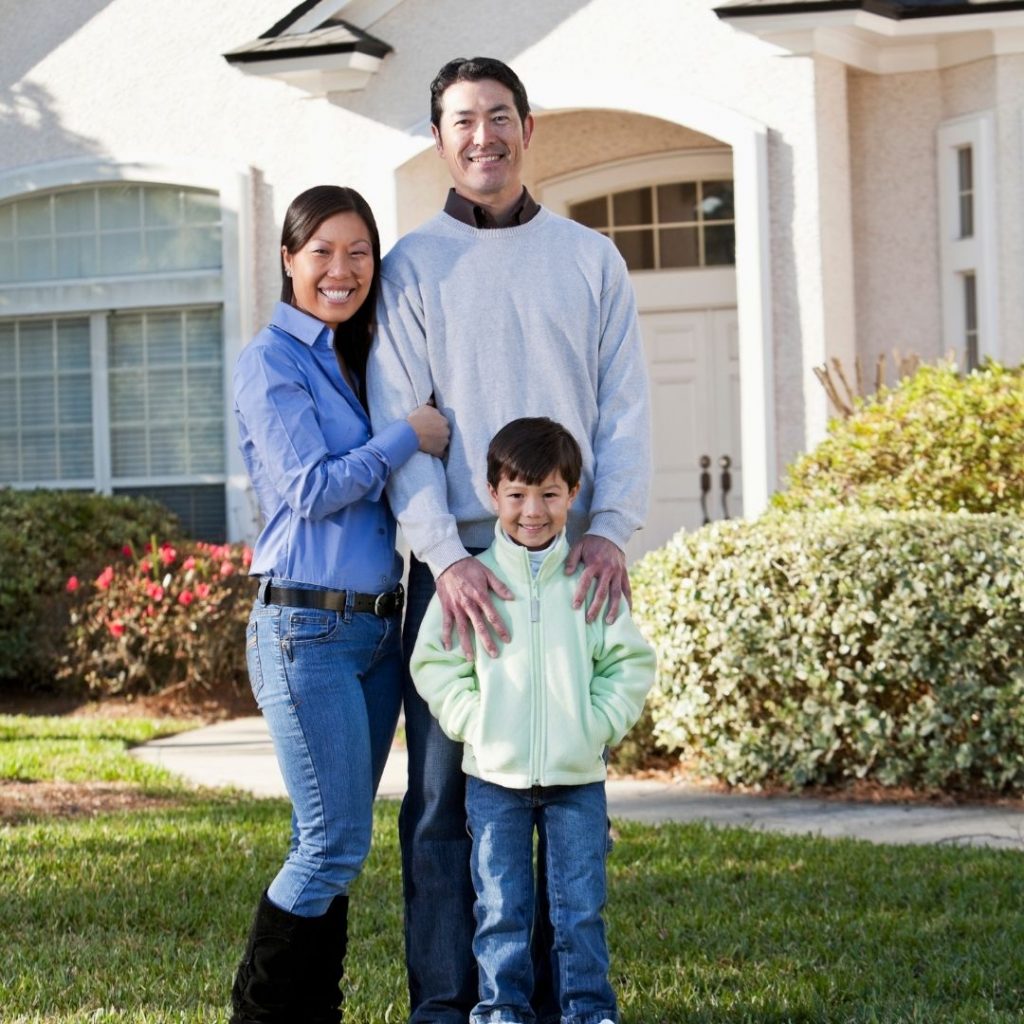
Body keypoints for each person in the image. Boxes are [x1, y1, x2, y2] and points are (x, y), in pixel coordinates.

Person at [366, 58, 652, 1024]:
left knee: (556, 792)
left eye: (499, 117)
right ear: (439, 137)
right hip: (459, 571)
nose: (481, 136)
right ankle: (451, 1006)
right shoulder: (411, 265)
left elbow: (624, 411)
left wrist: (608, 530)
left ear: (528, 127)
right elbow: (400, 424)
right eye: (460, 121)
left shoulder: (590, 257)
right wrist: (445, 558)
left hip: (571, 562)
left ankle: (543, 1003)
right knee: (448, 805)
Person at [229, 184, 449, 1023]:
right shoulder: (273, 361)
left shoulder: (355, 358)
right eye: (322, 251)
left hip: (375, 634)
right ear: (288, 259)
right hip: (304, 630)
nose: (342, 269)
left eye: (359, 253)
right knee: (328, 844)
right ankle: (259, 1015)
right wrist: (408, 434)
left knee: (339, 847)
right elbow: (311, 488)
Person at [411, 417, 655, 1024]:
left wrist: (594, 725)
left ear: (573, 494)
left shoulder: (590, 580)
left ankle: (588, 1011)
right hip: (495, 779)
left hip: (578, 778)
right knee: (501, 908)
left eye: (549, 494)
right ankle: (501, 1011)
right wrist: (479, 720)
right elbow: (434, 666)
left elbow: (630, 663)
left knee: (578, 909)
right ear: (491, 495)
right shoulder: (472, 585)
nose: (532, 510)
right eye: (517, 494)